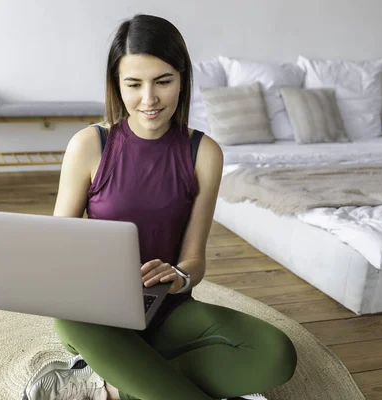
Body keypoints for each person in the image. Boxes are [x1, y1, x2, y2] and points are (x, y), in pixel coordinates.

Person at [23, 13, 297, 400]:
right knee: (70, 317)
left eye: (163, 82)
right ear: (116, 86)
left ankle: (109, 385)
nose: (148, 99)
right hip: (95, 316)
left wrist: (180, 277)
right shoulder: (89, 145)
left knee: (276, 354)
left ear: (182, 80)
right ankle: (136, 374)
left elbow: (194, 261)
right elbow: (58, 245)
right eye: (133, 84)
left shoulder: (203, 153)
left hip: (168, 310)